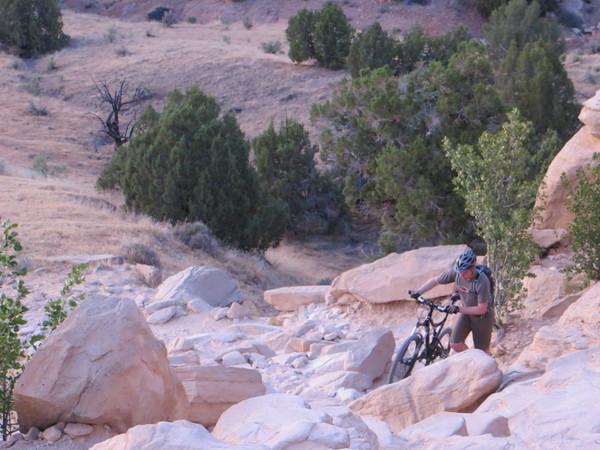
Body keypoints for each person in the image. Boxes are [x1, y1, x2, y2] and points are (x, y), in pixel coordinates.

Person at [411, 248, 494, 354]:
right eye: (460, 272)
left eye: (465, 272)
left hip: (483, 318)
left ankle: (486, 364)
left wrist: (458, 309)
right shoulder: (457, 273)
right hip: (466, 312)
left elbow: (482, 309)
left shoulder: (482, 282)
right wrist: (419, 292)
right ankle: (473, 360)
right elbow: (436, 281)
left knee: (482, 351)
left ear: (472, 269)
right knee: (455, 343)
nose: (461, 275)